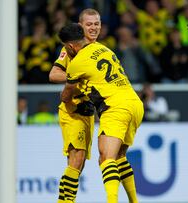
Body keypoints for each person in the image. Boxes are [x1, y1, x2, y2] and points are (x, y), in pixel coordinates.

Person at [59, 23, 143, 203]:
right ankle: (134, 200)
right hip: (135, 103)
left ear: (70, 47)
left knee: (106, 157)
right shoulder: (103, 49)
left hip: (115, 108)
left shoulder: (77, 62)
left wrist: (69, 91)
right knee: (120, 156)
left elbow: (67, 95)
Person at [48, 8, 100, 203]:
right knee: (76, 159)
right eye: (89, 24)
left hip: (86, 112)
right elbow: (53, 75)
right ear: (80, 26)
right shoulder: (69, 49)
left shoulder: (98, 50)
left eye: (96, 24)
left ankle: (65, 200)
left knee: (78, 164)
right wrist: (78, 77)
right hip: (72, 111)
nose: (93, 28)